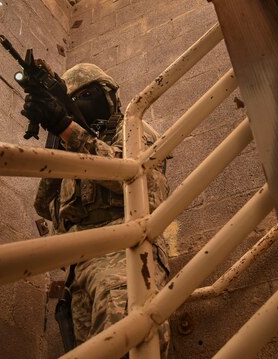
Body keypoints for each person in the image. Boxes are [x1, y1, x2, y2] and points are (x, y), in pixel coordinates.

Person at [21, 63, 171, 356]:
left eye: (87, 95)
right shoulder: (72, 146)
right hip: (79, 267)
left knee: (129, 340)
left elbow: (147, 190)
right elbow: (44, 205)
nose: (79, 104)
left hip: (124, 248)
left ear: (109, 96)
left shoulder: (132, 130)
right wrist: (58, 141)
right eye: (71, 99)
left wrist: (69, 130)